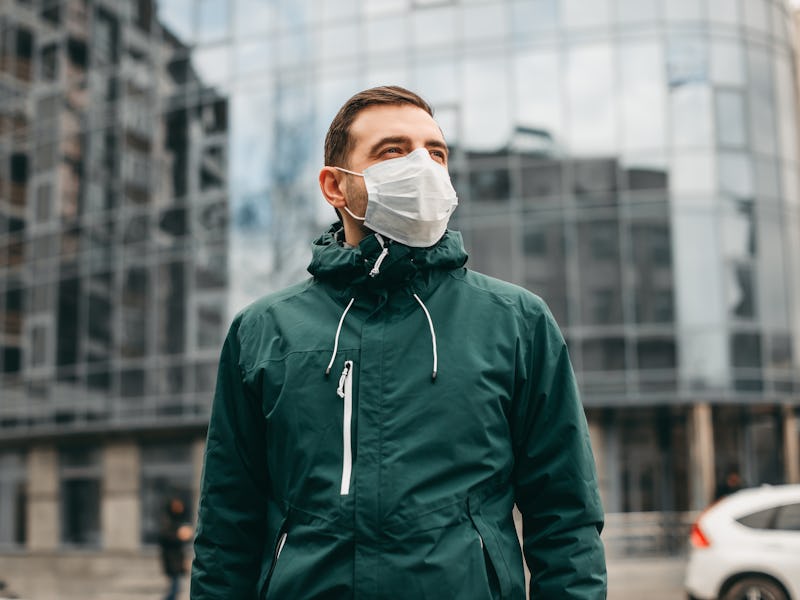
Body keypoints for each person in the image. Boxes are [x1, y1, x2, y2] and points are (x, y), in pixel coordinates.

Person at [191, 86, 606, 599]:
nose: (423, 166)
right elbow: (226, 528)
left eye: (435, 152)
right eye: (393, 151)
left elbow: (566, 519)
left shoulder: (516, 321)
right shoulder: (263, 331)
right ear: (335, 186)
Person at [159, 497, 193, 600]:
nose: (180, 508)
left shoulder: (178, 520)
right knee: (175, 588)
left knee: (176, 588)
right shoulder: (168, 520)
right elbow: (164, 537)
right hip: (171, 559)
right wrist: (179, 536)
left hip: (177, 559)